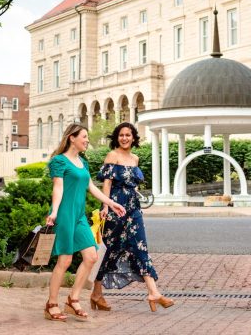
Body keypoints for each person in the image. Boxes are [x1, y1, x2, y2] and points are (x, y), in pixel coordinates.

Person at [45, 123, 126, 322]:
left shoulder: (83, 162)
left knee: (91, 256)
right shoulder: (59, 161)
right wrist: (54, 211)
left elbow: (91, 187)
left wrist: (111, 203)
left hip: (79, 216)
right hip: (64, 215)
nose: (87, 140)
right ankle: (51, 304)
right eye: (84, 136)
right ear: (72, 138)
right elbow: (58, 188)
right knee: (64, 261)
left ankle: (73, 299)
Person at [90, 121, 174, 312]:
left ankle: (153, 292)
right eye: (121, 135)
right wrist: (105, 206)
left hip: (133, 210)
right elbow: (107, 184)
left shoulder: (135, 158)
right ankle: (96, 293)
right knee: (111, 250)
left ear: (134, 137)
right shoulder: (112, 155)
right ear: (116, 138)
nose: (125, 138)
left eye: (128, 135)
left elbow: (133, 185)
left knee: (140, 247)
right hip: (115, 207)